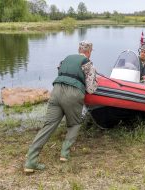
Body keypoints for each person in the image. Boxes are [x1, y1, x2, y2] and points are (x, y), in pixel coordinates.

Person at [24, 41, 98, 173]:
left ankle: (30, 161)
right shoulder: (88, 63)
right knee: (75, 124)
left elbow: (61, 74)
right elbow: (91, 89)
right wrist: (96, 81)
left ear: (78, 49)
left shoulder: (65, 59)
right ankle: (64, 153)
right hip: (73, 95)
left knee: (48, 126)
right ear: (90, 51)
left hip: (56, 91)